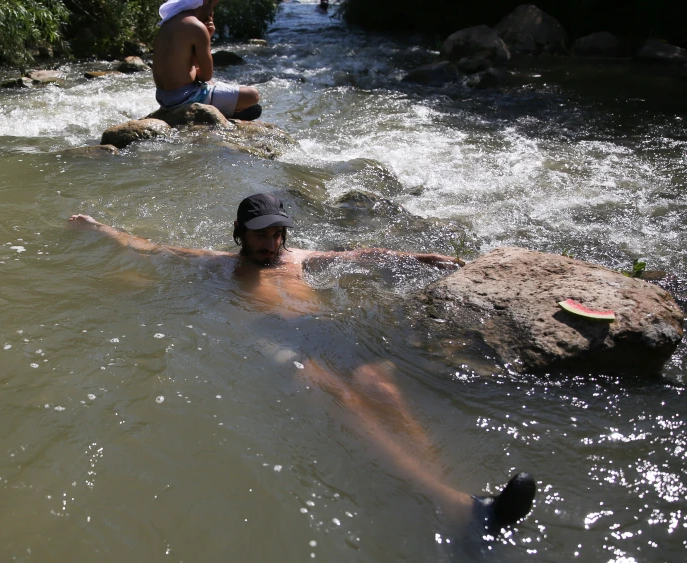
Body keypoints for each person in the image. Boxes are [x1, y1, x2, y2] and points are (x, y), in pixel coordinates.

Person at [69, 193, 537, 540]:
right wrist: (99, 229)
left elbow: (362, 255)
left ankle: (457, 499)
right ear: (240, 233)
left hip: (320, 333)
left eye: (277, 233)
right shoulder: (219, 266)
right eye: (260, 234)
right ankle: (454, 504)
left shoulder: (298, 258)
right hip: (271, 338)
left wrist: (421, 258)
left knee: (382, 389)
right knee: (337, 393)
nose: (270, 243)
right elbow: (149, 247)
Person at [153, 0, 263, 121]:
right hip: (185, 99)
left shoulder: (169, 22)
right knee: (253, 95)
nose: (212, 12)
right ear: (205, 2)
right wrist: (207, 36)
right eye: (213, 5)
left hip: (164, 98)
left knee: (211, 83)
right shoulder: (197, 27)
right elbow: (205, 75)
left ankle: (227, 106)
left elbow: (185, 69)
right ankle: (228, 111)